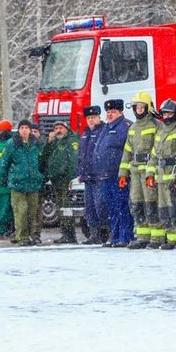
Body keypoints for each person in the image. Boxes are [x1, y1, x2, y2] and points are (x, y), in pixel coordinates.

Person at [119, 92, 161, 249]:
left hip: (149, 171)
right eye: (137, 107)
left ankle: (156, 236)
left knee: (152, 204)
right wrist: (123, 174)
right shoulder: (133, 128)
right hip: (135, 171)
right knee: (137, 205)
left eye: (142, 106)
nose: (139, 109)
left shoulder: (156, 126)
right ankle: (143, 236)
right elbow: (127, 151)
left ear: (148, 108)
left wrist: (153, 171)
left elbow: (158, 150)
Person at [147, 99, 176, 249]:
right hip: (161, 178)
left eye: (169, 113)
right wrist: (149, 174)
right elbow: (153, 155)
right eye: (164, 113)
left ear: (175, 114)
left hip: (173, 178)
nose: (167, 116)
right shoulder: (160, 131)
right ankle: (171, 240)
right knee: (164, 211)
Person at [94, 99, 134, 247]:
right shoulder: (106, 128)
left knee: (122, 206)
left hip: (119, 174)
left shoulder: (126, 126)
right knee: (111, 208)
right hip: (106, 175)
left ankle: (125, 236)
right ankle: (115, 236)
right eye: (108, 112)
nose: (110, 114)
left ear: (121, 112)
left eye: (113, 112)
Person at [0, 119, 44, 246]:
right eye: (22, 128)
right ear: (18, 130)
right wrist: (3, 180)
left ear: (30, 130)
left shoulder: (36, 143)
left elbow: (40, 161)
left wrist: (40, 176)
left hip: (33, 182)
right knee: (21, 211)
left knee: (33, 211)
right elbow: (4, 163)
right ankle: (22, 237)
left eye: (26, 128)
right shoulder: (11, 144)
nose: (24, 130)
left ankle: (34, 235)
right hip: (18, 183)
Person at [42, 121, 80, 244]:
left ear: (67, 129)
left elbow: (73, 161)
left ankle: (70, 234)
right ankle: (65, 233)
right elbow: (45, 155)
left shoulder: (71, 141)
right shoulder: (56, 142)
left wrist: (70, 178)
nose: (58, 130)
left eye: (61, 128)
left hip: (66, 181)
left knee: (66, 208)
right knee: (61, 208)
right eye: (56, 128)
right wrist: (49, 142)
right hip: (56, 180)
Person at [78, 106, 107, 245]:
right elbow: (82, 156)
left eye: (93, 117)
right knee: (90, 207)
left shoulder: (103, 131)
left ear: (99, 118)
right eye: (88, 118)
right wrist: (80, 172)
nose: (91, 120)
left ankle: (106, 232)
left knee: (101, 205)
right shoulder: (85, 134)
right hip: (87, 176)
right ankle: (94, 234)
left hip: (99, 175)